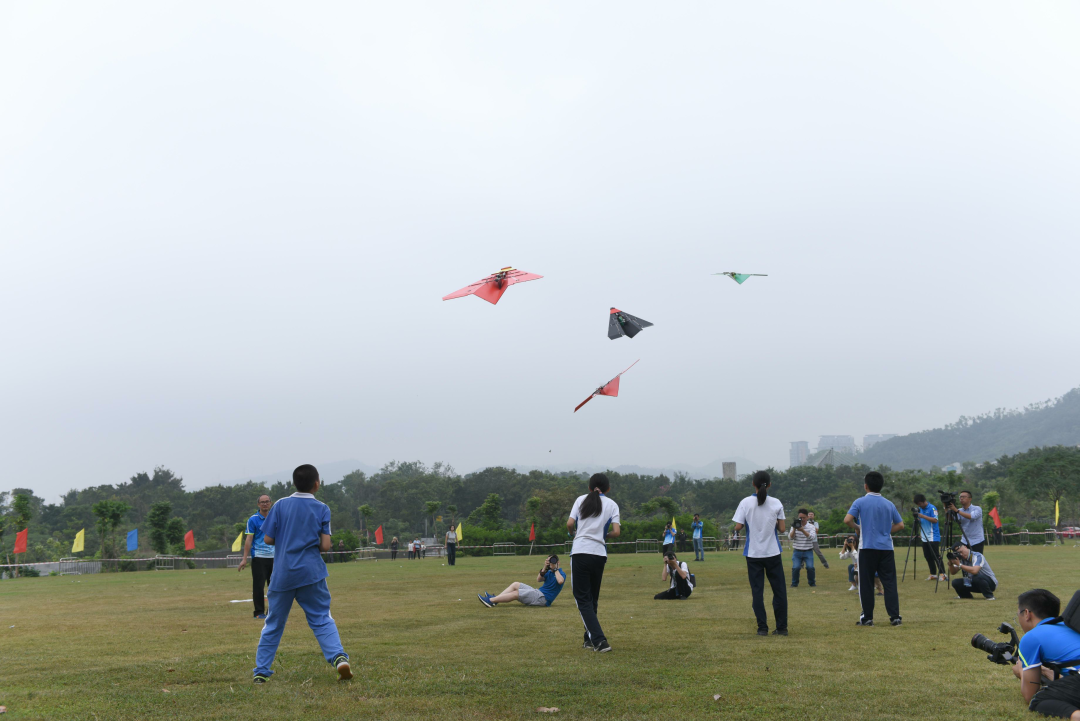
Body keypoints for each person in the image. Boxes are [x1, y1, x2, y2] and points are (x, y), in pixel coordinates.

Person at [253, 464, 350, 683]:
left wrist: (287, 539)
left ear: (294, 483)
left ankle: (261, 671)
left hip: (283, 573)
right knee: (321, 618)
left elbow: (268, 539)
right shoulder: (322, 508)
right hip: (311, 573)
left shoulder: (279, 505)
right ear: (317, 484)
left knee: (274, 623)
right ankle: (339, 658)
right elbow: (325, 545)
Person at [567, 473, 621, 653]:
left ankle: (599, 640)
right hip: (599, 554)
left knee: (582, 599)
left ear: (589, 488)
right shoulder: (612, 504)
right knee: (592, 598)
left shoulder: (580, 500)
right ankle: (588, 639)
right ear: (608, 488)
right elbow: (616, 532)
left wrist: (573, 533)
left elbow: (569, 523)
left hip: (581, 551)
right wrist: (602, 535)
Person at [844, 471, 904, 627]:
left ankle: (868, 618)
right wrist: (884, 531)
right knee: (889, 582)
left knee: (866, 583)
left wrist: (858, 528)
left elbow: (847, 520)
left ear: (866, 486)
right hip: (886, 548)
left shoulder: (860, 502)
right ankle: (895, 617)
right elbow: (900, 525)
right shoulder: (889, 504)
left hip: (867, 547)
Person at [732, 470, 788, 636]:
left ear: (753, 484)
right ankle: (782, 627)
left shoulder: (745, 502)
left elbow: (738, 527)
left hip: (753, 554)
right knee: (779, 591)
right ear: (769, 485)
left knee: (757, 592)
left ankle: (762, 628)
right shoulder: (776, 503)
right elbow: (783, 529)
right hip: (773, 552)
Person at [1012, 589, 1080, 719]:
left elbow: (1029, 694)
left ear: (1027, 614)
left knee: (1039, 700)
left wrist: (1021, 670)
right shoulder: (1071, 627)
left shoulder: (1031, 637)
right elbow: (1070, 676)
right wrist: (1043, 671)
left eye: (1018, 615)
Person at [238, 494, 274, 619]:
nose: (265, 504)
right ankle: (259, 612)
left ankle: (272, 612)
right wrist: (244, 559)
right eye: (262, 502)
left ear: (270, 503)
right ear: (258, 504)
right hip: (259, 556)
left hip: (275, 557)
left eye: (267, 501)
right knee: (258, 585)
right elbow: (249, 539)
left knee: (274, 586)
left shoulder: (275, 517)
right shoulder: (253, 519)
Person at [478, 555, 566, 607]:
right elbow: (538, 579)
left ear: (558, 562)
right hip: (538, 593)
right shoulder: (549, 572)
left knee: (517, 593)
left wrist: (555, 569)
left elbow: (560, 581)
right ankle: (496, 599)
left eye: (553, 561)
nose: (552, 563)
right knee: (516, 584)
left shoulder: (561, 573)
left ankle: (490, 600)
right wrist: (545, 567)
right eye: (550, 561)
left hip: (543, 599)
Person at [914, 493, 947, 581]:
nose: (919, 505)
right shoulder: (920, 509)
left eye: (919, 503)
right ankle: (933, 574)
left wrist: (923, 516)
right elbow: (921, 521)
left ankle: (943, 574)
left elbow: (935, 520)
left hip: (933, 536)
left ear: (923, 501)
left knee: (936, 556)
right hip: (924, 537)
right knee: (927, 556)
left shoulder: (932, 508)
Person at [789, 509, 817, 588]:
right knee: (796, 567)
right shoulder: (794, 525)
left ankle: (812, 583)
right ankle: (794, 584)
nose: (802, 519)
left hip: (808, 550)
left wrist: (802, 530)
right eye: (800, 517)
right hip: (797, 550)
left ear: (807, 517)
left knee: (810, 567)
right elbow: (790, 538)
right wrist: (794, 528)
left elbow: (812, 537)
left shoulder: (811, 526)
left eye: (803, 517)